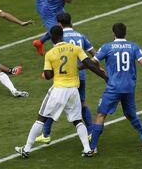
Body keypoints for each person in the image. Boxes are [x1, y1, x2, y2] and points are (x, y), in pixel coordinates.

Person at [15, 26, 107, 158]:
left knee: (41, 118)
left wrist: (51, 72)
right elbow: (89, 64)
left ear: (52, 37)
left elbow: (47, 75)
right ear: (62, 35)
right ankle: (87, 149)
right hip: (73, 90)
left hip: (58, 89)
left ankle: (27, 149)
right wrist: (104, 77)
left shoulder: (50, 53)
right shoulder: (75, 49)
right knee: (77, 120)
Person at [89, 22, 142, 154]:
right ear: (125, 33)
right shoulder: (133, 47)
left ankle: (92, 148)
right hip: (129, 88)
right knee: (130, 114)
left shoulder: (107, 47)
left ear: (113, 33)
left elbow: (93, 62)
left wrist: (78, 67)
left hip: (113, 88)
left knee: (101, 115)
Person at [35, 13, 96, 144]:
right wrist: (85, 67)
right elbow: (94, 54)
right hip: (81, 77)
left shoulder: (59, 38)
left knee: (53, 105)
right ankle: (91, 132)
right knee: (82, 103)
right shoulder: (80, 35)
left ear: (59, 24)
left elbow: (57, 58)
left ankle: (46, 134)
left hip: (63, 78)